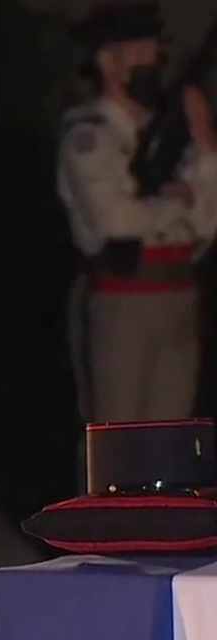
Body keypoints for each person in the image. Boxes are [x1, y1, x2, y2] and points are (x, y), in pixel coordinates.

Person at [58, 1, 216, 424]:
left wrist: (206, 150)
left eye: (153, 49)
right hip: (124, 298)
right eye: (139, 50)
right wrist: (173, 203)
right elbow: (117, 222)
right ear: (108, 61)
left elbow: (206, 221)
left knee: (169, 447)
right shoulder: (90, 137)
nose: (153, 60)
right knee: (116, 444)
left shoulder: (167, 132)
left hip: (178, 297)